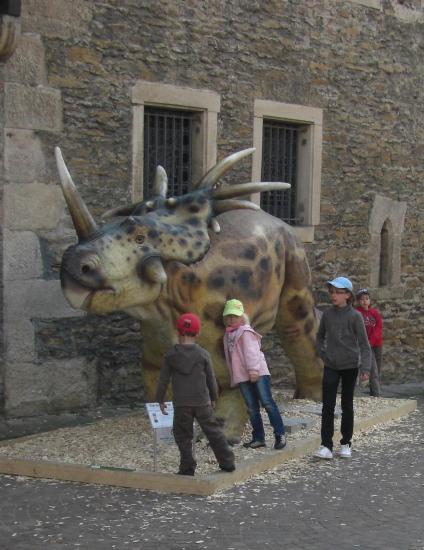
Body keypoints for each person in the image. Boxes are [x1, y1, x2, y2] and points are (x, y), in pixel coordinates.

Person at [155, 313, 235, 476]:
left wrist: (159, 399)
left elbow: (163, 379)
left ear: (178, 332)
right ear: (198, 333)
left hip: (181, 403)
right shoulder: (203, 354)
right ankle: (227, 462)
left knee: (183, 435)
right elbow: (211, 378)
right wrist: (214, 397)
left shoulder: (171, 355)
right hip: (202, 402)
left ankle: (187, 467)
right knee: (213, 432)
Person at [314, 277, 371, 460]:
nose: (333, 295)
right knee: (327, 406)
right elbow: (319, 337)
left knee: (347, 405)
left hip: (350, 366)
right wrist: (323, 354)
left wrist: (365, 369)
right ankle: (326, 446)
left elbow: (364, 344)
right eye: (331, 292)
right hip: (331, 365)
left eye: (338, 292)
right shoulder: (327, 315)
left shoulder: (355, 316)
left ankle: (346, 443)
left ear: (347, 295)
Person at [222, 299, 286, 450]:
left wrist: (253, 370)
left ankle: (280, 434)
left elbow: (252, 352)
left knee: (267, 403)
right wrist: (234, 378)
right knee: (251, 408)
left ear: (241, 316)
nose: (232, 319)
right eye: (229, 316)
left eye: (235, 316)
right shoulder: (228, 335)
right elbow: (230, 359)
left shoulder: (245, 332)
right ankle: (258, 438)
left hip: (257, 373)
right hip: (242, 376)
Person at [356, 288, 383, 397]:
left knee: (378, 367)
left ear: (370, 300)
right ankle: (377, 394)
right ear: (358, 301)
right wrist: (366, 343)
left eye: (367, 299)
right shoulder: (357, 313)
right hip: (365, 346)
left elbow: (379, 327)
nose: (364, 301)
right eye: (362, 299)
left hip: (377, 344)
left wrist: (373, 340)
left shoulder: (374, 313)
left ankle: (373, 390)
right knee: (373, 369)